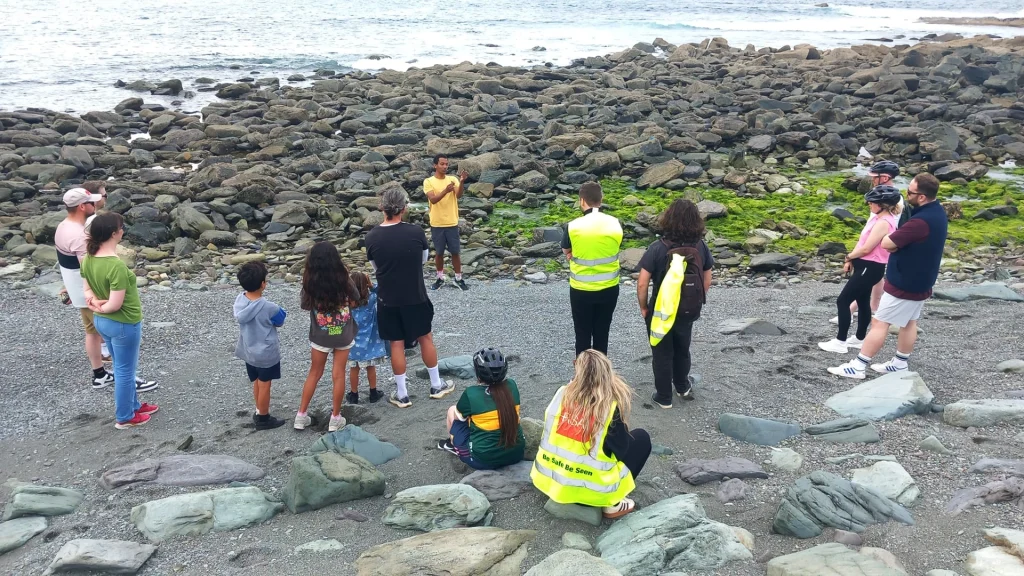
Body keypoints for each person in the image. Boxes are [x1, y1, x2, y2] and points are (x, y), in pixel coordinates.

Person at [829, 173, 947, 379]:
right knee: (909, 322)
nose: (906, 194)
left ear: (921, 197)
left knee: (880, 322)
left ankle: (859, 365)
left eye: (910, 192)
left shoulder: (920, 221)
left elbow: (886, 243)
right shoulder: (938, 213)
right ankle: (900, 363)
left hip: (906, 281)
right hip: (923, 279)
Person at [364, 185, 456, 408]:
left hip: (388, 299)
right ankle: (436, 385)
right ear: (404, 208)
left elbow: (375, 266)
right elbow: (423, 259)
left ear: (382, 207)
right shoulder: (415, 232)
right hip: (415, 295)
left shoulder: (372, 236)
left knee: (396, 343)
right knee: (425, 337)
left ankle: (402, 393)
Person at [531, 350, 651, 519]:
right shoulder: (607, 410)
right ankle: (612, 504)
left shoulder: (561, 395)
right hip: (591, 493)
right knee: (641, 438)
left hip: (550, 482)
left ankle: (563, 492)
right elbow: (622, 450)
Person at [81, 213, 158, 429]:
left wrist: (95, 305)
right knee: (125, 370)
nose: (123, 230)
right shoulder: (116, 265)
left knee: (121, 366)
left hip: (102, 321)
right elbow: (115, 304)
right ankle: (125, 416)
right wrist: (103, 306)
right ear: (115, 234)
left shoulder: (88, 257)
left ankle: (133, 405)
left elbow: (86, 290)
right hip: (123, 323)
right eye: (121, 227)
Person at [637, 199, 713, 408]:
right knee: (682, 348)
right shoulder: (701, 246)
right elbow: (707, 278)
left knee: (661, 352)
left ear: (667, 219)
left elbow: (642, 283)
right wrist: (696, 299)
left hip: (660, 309)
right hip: (687, 309)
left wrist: (644, 307)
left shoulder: (657, 248)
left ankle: (664, 396)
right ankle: (682, 387)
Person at [819, 185, 902, 354]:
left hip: (870, 266)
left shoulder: (884, 223)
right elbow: (862, 243)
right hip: (865, 265)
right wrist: (852, 259)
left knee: (843, 300)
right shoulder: (877, 219)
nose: (869, 204)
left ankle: (840, 341)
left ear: (883, 204)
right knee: (863, 301)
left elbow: (867, 248)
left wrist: (849, 256)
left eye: (872, 202)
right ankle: (859, 338)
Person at [294, 242, 360, 432]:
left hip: (320, 334)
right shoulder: (343, 277)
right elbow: (355, 298)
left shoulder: (309, 280)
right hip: (343, 334)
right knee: (338, 373)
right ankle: (335, 418)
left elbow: (305, 305)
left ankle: (301, 415)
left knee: (314, 372)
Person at [830, 160, 905, 325]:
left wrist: (852, 254)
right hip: (874, 246)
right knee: (875, 280)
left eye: (874, 177)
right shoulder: (883, 195)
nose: (871, 179)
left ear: (884, 177)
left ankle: (862, 309)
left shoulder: (890, 199)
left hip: (876, 249)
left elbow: (887, 228)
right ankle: (870, 309)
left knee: (871, 280)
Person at [55, 188, 114, 389]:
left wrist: (67, 288)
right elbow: (89, 269)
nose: (94, 205)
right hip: (90, 295)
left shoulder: (62, 226)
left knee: (92, 332)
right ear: (82, 206)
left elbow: (67, 263)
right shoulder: (78, 236)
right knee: (112, 333)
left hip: (77, 292)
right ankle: (124, 374)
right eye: (91, 203)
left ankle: (99, 374)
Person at [561, 181, 623, 357]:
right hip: (609, 287)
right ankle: (601, 378)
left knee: (582, 335)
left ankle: (583, 378)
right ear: (601, 200)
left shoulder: (573, 226)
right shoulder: (615, 223)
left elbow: (566, 249)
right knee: (602, 334)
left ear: (582, 201)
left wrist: (572, 253)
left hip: (581, 289)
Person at [438, 348, 526, 469]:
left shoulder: (471, 393)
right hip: (516, 455)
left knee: (452, 411)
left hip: (483, 460)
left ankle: (452, 444)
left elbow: (460, 419)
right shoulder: (512, 385)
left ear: (478, 373)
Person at [233, 261, 287, 431]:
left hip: (248, 350)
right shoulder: (269, 307)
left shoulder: (240, 301)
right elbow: (280, 320)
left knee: (256, 381)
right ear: (263, 284)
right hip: (266, 353)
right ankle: (263, 417)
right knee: (265, 384)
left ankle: (258, 409)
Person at [424, 155, 469, 291]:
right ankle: (440, 277)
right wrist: (445, 190)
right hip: (437, 223)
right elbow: (433, 199)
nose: (445, 167)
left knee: (455, 251)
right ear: (435, 165)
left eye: (446, 164)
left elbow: (458, 195)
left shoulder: (452, 179)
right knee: (439, 252)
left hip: (451, 222)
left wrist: (461, 182)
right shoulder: (429, 181)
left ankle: (458, 278)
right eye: (442, 164)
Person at [346, 270, 387, 404]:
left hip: (353, 342)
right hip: (370, 341)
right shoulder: (370, 300)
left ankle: (354, 394)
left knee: (354, 369)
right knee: (371, 367)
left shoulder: (347, 303)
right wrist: (371, 284)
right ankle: (373, 392)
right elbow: (382, 291)